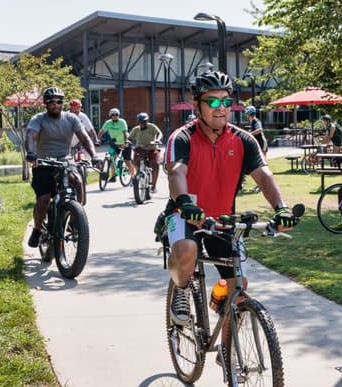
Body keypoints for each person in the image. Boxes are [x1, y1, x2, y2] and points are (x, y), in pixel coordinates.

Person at [159, 70, 299, 355]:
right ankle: (182, 290)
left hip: (222, 218)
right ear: (196, 105)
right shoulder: (182, 137)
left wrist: (281, 208)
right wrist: (185, 202)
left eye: (225, 101)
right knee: (186, 249)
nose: (220, 108)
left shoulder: (243, 139)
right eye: (212, 102)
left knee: (239, 285)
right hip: (184, 214)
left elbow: (264, 175)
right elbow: (176, 172)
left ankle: (225, 349)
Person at [25, 87, 99, 247]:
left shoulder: (71, 118)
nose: (55, 104)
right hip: (43, 162)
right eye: (51, 102)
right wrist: (31, 153)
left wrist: (94, 156)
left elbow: (85, 138)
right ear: (45, 103)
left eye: (59, 101)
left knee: (78, 183)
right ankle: (37, 230)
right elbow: (31, 135)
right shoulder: (39, 119)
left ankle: (75, 220)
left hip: (64, 160)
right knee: (44, 199)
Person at [128, 112, 162, 192]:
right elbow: (129, 138)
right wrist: (127, 142)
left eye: (144, 121)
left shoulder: (152, 127)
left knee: (155, 164)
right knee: (134, 161)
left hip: (152, 148)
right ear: (138, 122)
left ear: (147, 121)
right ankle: (139, 173)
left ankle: (153, 185)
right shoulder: (136, 129)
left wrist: (157, 139)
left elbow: (159, 133)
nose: (142, 123)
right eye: (141, 122)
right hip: (140, 148)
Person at [97, 108, 134, 179]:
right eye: (113, 115)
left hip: (125, 142)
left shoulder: (122, 122)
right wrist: (97, 140)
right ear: (110, 116)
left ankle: (133, 178)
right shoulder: (108, 123)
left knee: (127, 161)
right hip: (115, 144)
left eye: (116, 115)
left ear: (118, 115)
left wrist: (125, 142)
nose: (115, 116)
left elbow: (125, 133)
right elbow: (101, 132)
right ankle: (113, 176)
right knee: (112, 159)